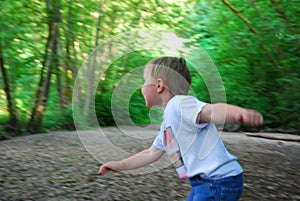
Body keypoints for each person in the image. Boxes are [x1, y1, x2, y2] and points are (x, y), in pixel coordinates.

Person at [99, 57, 263, 201]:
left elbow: (209, 111)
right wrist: (119, 165)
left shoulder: (179, 104)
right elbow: (151, 153)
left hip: (217, 181)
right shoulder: (168, 124)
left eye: (144, 81)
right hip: (206, 183)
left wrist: (239, 113)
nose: (141, 87)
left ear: (159, 85)